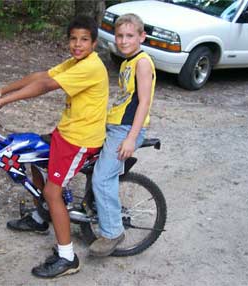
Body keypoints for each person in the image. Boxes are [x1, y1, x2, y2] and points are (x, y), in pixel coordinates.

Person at [0, 15, 109, 278]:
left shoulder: (91, 67)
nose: (77, 44)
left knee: (53, 192)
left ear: (94, 43)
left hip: (81, 141)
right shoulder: (76, 62)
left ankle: (67, 258)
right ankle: (41, 218)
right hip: (66, 133)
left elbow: (44, 85)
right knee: (30, 156)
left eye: (84, 39)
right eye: (73, 38)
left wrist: (3, 102)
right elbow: (42, 74)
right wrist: (1, 89)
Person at [89, 13, 156, 257]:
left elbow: (144, 101)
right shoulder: (128, 61)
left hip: (127, 130)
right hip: (114, 125)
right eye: (120, 36)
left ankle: (112, 232)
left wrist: (131, 138)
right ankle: (95, 206)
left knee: (102, 178)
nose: (124, 40)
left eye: (130, 35)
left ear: (142, 36)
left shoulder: (142, 62)